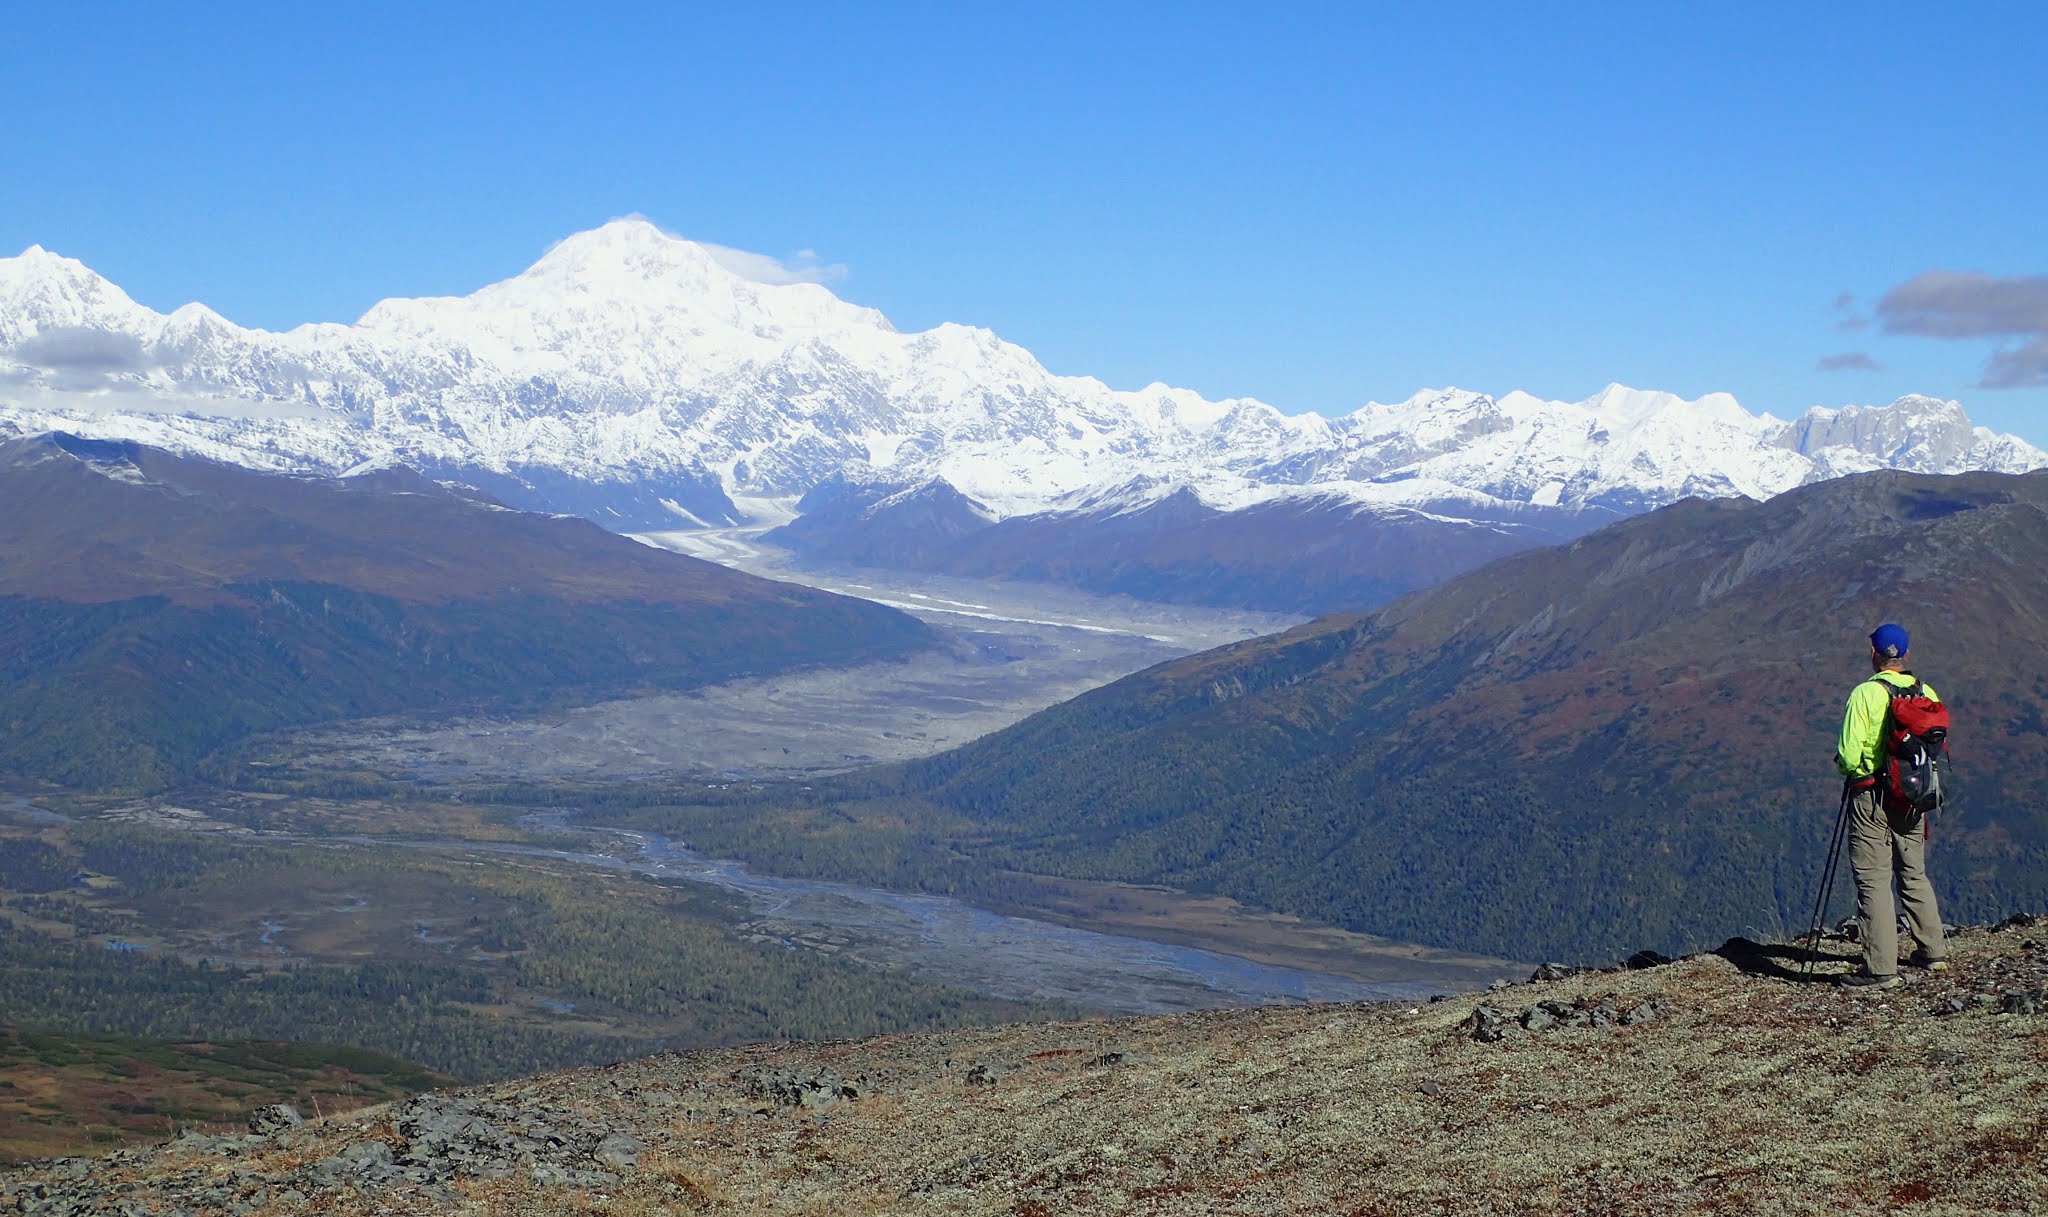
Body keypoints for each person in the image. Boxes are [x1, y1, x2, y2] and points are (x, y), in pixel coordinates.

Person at [1832, 622, 1949, 989]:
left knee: (1874, 878)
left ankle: (1881, 969)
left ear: (1874, 654)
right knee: (1913, 871)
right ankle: (1933, 952)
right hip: (1913, 796)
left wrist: (1846, 769)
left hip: (1871, 796)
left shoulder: (1865, 695)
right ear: (1906, 654)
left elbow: (1850, 756)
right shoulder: (1925, 691)